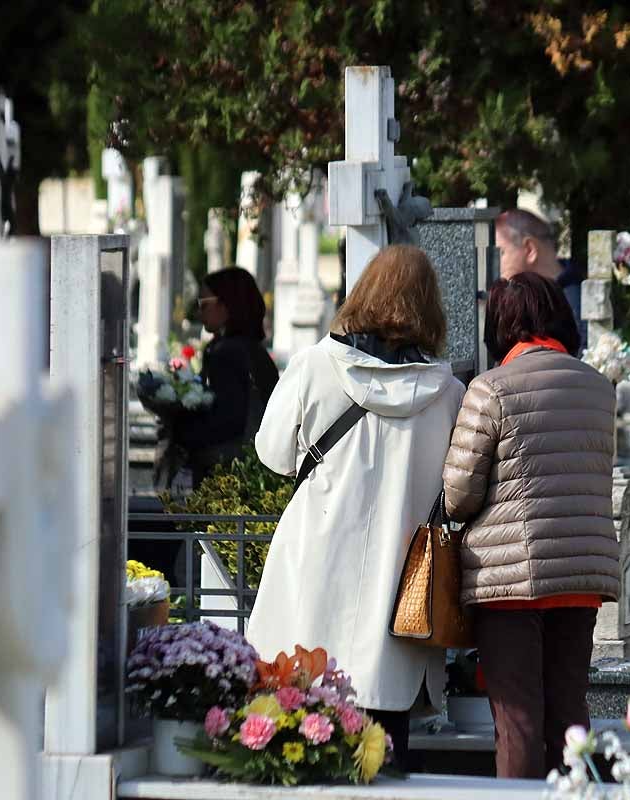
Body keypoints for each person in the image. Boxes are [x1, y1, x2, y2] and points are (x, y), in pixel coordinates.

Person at [247, 244, 465, 767]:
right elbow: (457, 491)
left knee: (301, 731)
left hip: (314, 568)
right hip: (400, 587)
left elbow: (273, 454)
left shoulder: (314, 365)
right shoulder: (449, 393)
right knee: (385, 753)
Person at [442, 272, 622, 779]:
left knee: (518, 722)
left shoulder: (491, 389)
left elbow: (459, 496)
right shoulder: (597, 388)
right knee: (569, 716)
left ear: (500, 326)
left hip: (509, 582)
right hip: (581, 579)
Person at [174, 267, 279, 486]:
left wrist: (181, 429)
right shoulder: (253, 350)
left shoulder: (227, 353)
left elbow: (227, 421)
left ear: (227, 305)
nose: (199, 313)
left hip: (226, 474)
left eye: (204, 304)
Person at [495, 209, 587, 349]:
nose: (493, 264)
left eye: (500, 253)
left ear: (530, 250)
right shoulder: (518, 300)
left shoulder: (579, 306)